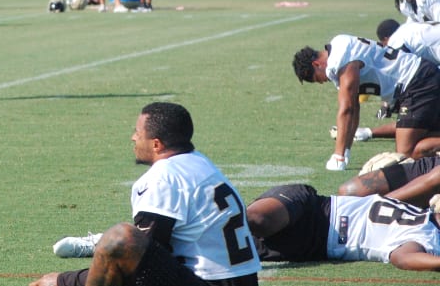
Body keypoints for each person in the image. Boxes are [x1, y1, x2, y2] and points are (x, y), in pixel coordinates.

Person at [30, 102, 260, 286]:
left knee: (120, 239)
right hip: (240, 280)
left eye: (138, 132)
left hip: (208, 282)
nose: (133, 137)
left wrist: (64, 280)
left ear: (156, 144)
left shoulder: (163, 177)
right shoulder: (200, 162)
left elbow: (138, 260)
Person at [292, 34, 440, 169]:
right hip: (420, 78)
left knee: (406, 154)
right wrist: (346, 150)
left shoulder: (340, 59)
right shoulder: (340, 45)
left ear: (317, 64)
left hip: (417, 81)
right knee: (426, 138)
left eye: (318, 79)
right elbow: (354, 109)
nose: (322, 82)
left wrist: (338, 156)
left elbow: (347, 109)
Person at [246, 184, 440, 271]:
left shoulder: (427, 239)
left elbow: (402, 257)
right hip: (314, 205)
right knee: (257, 219)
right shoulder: (426, 213)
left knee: (232, 248)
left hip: (308, 244)